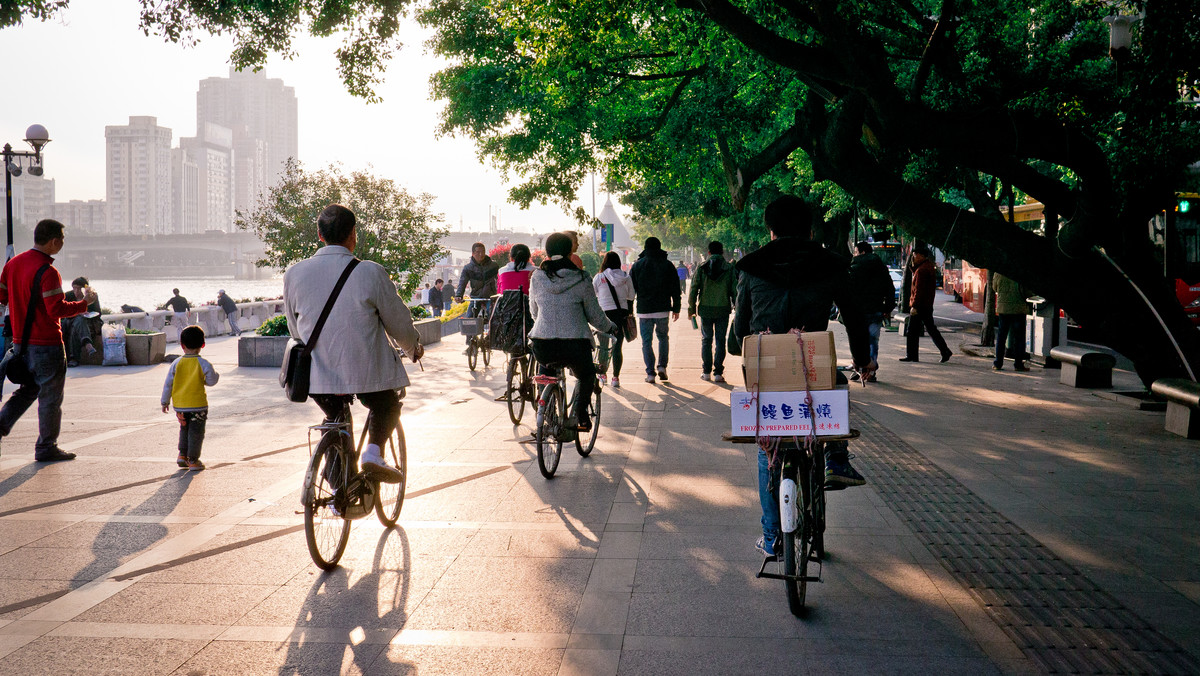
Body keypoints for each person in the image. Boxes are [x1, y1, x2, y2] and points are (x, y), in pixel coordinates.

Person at [727, 196, 877, 557]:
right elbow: (855, 317)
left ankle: (773, 536)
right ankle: (836, 459)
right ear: (810, 230)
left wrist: (740, 344)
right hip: (814, 372)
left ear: (770, 229)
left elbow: (738, 335)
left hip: (766, 377)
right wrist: (863, 361)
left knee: (769, 451)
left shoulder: (750, 266)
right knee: (838, 384)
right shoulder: (831, 264)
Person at [283, 203, 422, 483]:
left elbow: (294, 327)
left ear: (320, 236)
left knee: (336, 421)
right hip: (367, 373)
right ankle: (373, 452)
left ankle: (336, 492)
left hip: (318, 375)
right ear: (353, 235)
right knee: (387, 405)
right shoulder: (370, 272)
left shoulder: (294, 274)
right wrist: (412, 348)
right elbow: (398, 322)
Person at [0, 219, 96, 462]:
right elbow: (56, 309)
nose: (62, 244)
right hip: (47, 345)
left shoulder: (12, 264)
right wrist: (85, 303)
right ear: (54, 241)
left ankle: (1, 426)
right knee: (50, 398)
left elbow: (2, 296)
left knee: (26, 391)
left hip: (20, 343)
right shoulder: (49, 271)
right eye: (62, 239)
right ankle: (46, 447)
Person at [528, 233, 619, 432]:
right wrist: (610, 327)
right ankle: (580, 413)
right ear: (570, 252)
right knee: (586, 376)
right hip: (575, 345)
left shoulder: (537, 277)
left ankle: (548, 413)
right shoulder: (581, 278)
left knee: (546, 369)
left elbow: (534, 311)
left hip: (543, 343)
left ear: (547, 253)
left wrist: (547, 325)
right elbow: (595, 316)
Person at [160, 325, 218, 471]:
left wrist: (165, 401)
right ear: (203, 345)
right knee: (196, 432)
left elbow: (168, 384)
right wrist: (210, 378)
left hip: (180, 405)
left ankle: (182, 455)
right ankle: (193, 459)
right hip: (197, 405)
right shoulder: (203, 363)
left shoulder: (176, 363)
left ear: (182, 345)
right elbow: (212, 381)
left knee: (184, 429)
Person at [630, 237, 681, 383]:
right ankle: (662, 367)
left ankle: (650, 373)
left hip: (644, 310)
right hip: (662, 309)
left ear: (645, 248)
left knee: (646, 341)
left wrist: (629, 309)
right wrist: (676, 308)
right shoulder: (667, 265)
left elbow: (631, 290)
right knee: (663, 337)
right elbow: (675, 288)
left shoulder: (637, 265)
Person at [688, 241, 737, 383]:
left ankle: (706, 371)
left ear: (708, 252)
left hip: (705, 309)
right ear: (722, 252)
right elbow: (734, 289)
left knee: (706, 340)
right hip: (723, 309)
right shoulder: (729, 268)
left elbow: (693, 289)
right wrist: (736, 306)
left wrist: (691, 308)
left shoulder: (701, 268)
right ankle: (718, 373)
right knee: (720, 340)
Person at [848, 241, 897, 381]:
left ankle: (859, 367)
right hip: (876, 310)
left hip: (857, 311)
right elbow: (890, 289)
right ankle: (870, 371)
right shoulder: (881, 268)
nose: (854, 255)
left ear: (862, 252)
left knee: (857, 340)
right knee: (872, 341)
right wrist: (887, 308)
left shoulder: (854, 267)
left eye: (856, 252)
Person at [900, 246, 952, 363]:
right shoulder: (926, 267)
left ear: (920, 256)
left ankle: (912, 355)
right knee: (931, 329)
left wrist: (914, 306)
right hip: (926, 305)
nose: (913, 257)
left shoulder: (922, 270)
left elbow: (919, 290)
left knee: (912, 331)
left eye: (914, 255)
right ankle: (945, 351)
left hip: (920, 305)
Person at [593, 251, 635, 388]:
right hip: (621, 314)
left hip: (604, 314)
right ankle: (616, 377)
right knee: (618, 347)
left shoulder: (599, 277)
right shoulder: (626, 277)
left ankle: (602, 374)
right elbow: (631, 296)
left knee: (604, 346)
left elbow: (593, 295)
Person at [455, 243, 499, 346]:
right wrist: (459, 295)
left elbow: (500, 281)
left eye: (482, 252)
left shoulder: (493, 266)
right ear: (473, 253)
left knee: (494, 316)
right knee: (470, 317)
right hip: (476, 297)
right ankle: (470, 342)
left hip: (490, 296)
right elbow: (462, 282)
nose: (481, 254)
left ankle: (490, 338)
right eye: (478, 252)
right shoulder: (468, 268)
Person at [992, 272, 1031, 372]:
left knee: (1001, 336)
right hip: (1019, 308)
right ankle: (1018, 364)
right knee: (1019, 338)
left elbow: (994, 287)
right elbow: (1026, 291)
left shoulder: (999, 271)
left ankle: (998, 363)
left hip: (1003, 308)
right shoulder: (1019, 270)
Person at [62, 276, 100, 367]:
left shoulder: (91, 296)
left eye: (79, 289)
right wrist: (77, 313)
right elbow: (62, 311)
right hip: (69, 321)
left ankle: (73, 358)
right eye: (74, 288)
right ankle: (88, 344)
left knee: (78, 322)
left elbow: (98, 313)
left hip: (88, 323)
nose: (76, 291)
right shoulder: (68, 295)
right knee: (76, 321)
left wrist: (86, 312)